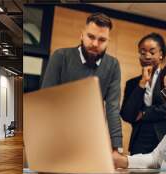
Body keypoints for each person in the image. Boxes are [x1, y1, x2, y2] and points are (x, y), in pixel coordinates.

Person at [40, 13, 122, 151]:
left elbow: (112, 108)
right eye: (91, 37)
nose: (95, 44)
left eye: (102, 40)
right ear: (82, 35)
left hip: (90, 137)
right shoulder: (61, 56)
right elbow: (46, 99)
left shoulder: (113, 65)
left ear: (108, 41)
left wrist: (117, 146)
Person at [120, 33, 166, 155]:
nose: (147, 56)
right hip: (139, 142)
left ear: (161, 54)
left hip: (164, 139)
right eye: (142, 52)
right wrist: (142, 84)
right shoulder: (132, 83)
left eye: (152, 52)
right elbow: (126, 114)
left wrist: (143, 113)